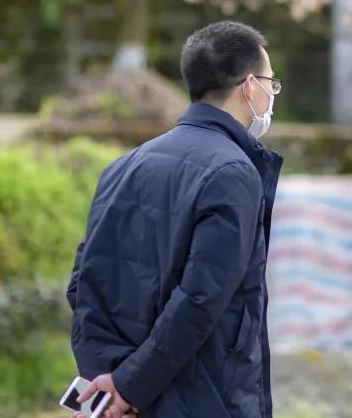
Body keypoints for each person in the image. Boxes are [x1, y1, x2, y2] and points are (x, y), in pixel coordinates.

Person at [66, 21, 284, 418]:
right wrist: (130, 386)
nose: (272, 93)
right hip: (205, 398)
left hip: (123, 394)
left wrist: (110, 379)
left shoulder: (124, 165)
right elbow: (202, 298)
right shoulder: (233, 172)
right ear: (249, 85)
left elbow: (84, 282)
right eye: (272, 82)